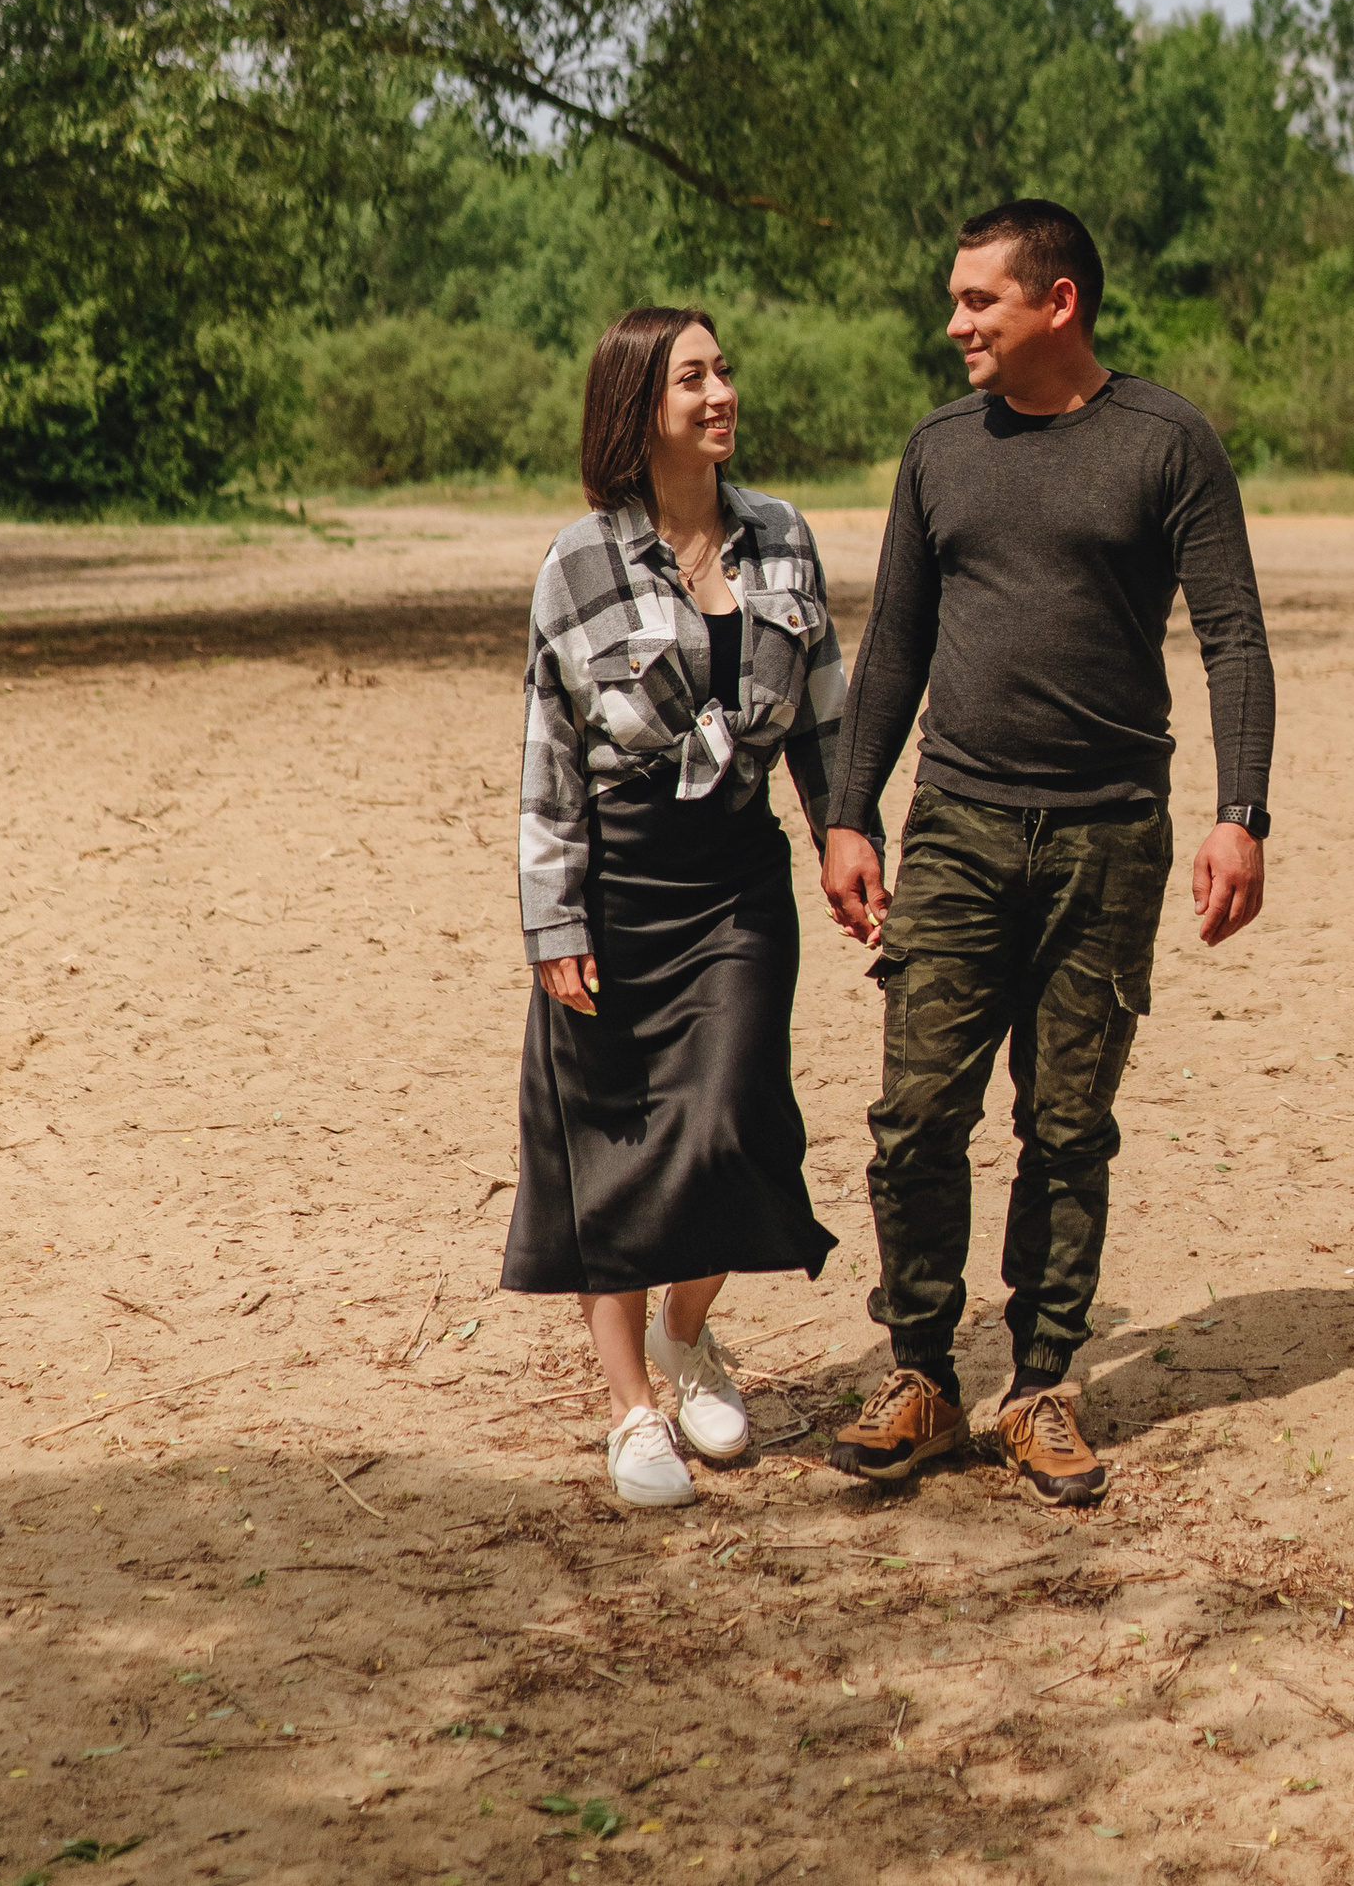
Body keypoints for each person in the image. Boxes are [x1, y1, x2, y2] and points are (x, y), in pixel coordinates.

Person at [818, 200, 1275, 1508]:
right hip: (956, 821)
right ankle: (920, 1375)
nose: (955, 322)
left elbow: (1234, 636)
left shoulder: (1165, 442)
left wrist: (1240, 810)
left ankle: (1041, 1387)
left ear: (1057, 302)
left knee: (1067, 1123)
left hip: (1108, 833)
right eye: (957, 300)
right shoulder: (940, 450)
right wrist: (851, 814)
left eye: (978, 301)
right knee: (917, 1115)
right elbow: (894, 643)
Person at [502, 306, 847, 1510]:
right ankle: (631, 1411)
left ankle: (686, 1334)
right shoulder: (577, 562)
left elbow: (826, 716)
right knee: (614, 1151)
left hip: (739, 877)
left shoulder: (785, 538)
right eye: (691, 377)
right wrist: (555, 927)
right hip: (619, 887)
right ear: (638, 405)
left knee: (733, 1120)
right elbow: (547, 765)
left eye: (723, 370)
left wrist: (843, 831)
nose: (721, 392)